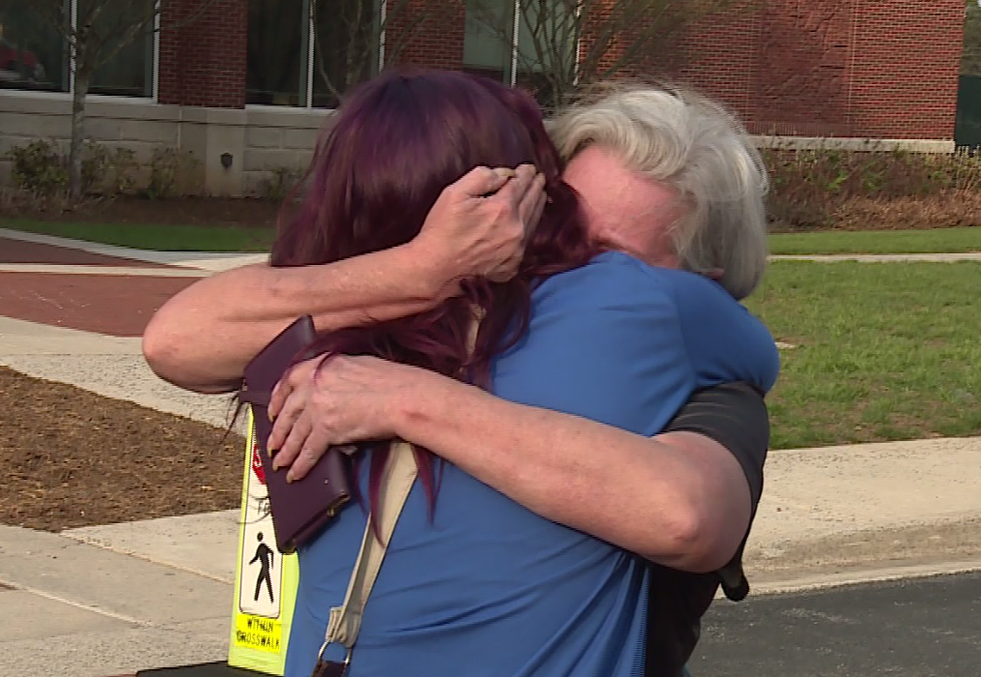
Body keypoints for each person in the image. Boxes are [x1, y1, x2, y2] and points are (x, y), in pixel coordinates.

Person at [144, 79, 774, 676]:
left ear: (701, 286)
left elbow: (685, 517)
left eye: (609, 258)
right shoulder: (431, 308)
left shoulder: (708, 384)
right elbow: (176, 340)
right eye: (552, 219)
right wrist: (424, 268)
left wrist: (404, 400)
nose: (555, 259)